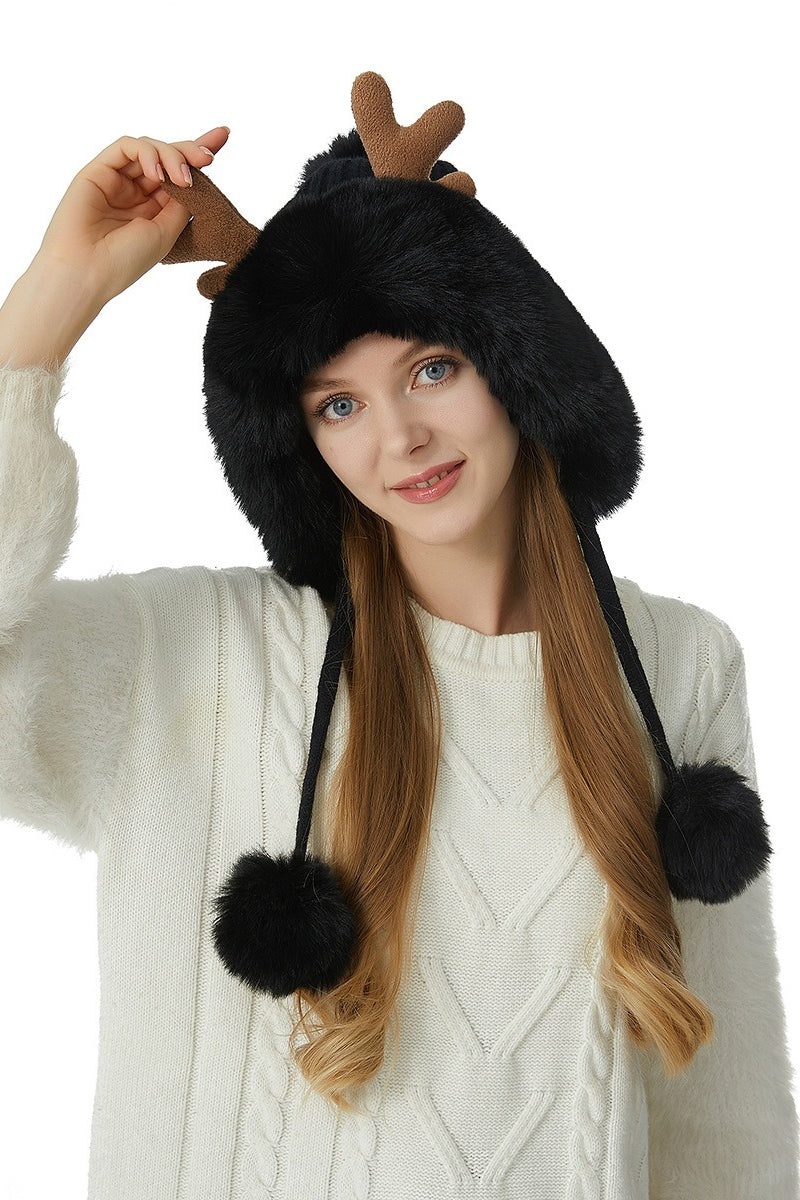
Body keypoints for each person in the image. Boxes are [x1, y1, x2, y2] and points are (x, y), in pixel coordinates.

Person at [0, 70, 797, 1200]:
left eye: (431, 368)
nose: (401, 437)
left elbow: (720, 1105)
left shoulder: (677, 666)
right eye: (338, 403)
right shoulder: (188, 657)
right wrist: (51, 299)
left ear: (514, 367)